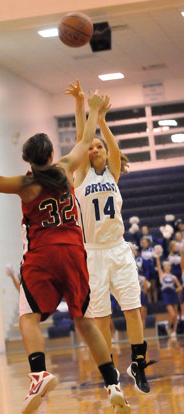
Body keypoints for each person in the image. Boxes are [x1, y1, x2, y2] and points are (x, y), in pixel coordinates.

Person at [0, 103, 131, 414]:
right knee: (84, 321)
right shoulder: (65, 169)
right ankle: (113, 383)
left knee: (28, 317)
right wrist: (93, 108)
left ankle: (39, 374)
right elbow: (85, 140)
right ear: (50, 153)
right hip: (74, 252)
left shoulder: (26, 184)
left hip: (43, 255)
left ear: (28, 159)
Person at [66, 80, 156, 394]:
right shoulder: (81, 175)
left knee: (133, 309)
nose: (95, 148)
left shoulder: (113, 173)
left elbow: (112, 146)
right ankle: (110, 376)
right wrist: (81, 105)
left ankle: (138, 363)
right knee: (101, 318)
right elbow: (81, 137)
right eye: (91, 147)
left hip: (118, 250)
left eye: (99, 145)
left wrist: (102, 119)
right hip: (92, 253)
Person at [156, 255, 182, 338]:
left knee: (175, 315)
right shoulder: (162, 275)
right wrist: (157, 257)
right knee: (172, 314)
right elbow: (158, 266)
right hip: (165, 294)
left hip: (173, 294)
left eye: (169, 265)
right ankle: (168, 327)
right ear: (164, 267)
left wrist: (176, 290)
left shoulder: (174, 277)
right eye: (166, 265)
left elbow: (180, 287)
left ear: (170, 267)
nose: (167, 267)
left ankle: (174, 331)